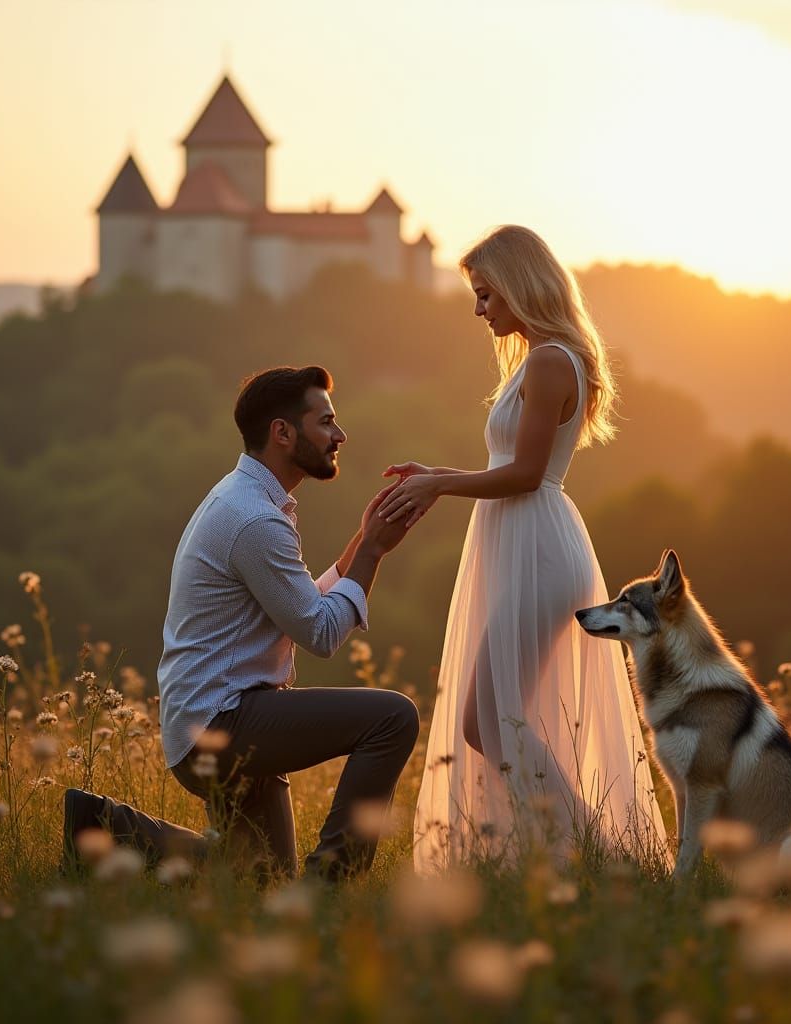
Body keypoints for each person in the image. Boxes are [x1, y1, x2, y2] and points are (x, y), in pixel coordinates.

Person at [376, 225, 669, 871]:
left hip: (537, 543)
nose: (479, 309)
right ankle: (563, 854)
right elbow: (511, 463)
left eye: (485, 295)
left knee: (489, 721)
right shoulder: (546, 356)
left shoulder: (549, 359)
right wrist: (439, 475)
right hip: (524, 538)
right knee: (501, 717)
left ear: (517, 284)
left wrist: (440, 485)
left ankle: (599, 856)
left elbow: (528, 473)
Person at [63, 365, 420, 881]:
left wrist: (365, 540)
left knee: (261, 880)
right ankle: (333, 883)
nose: (339, 435)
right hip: (222, 722)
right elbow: (319, 631)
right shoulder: (255, 518)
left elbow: (302, 605)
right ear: (282, 432)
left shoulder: (244, 501)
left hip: (211, 719)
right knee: (394, 718)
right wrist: (374, 553)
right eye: (326, 422)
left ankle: (100, 823)